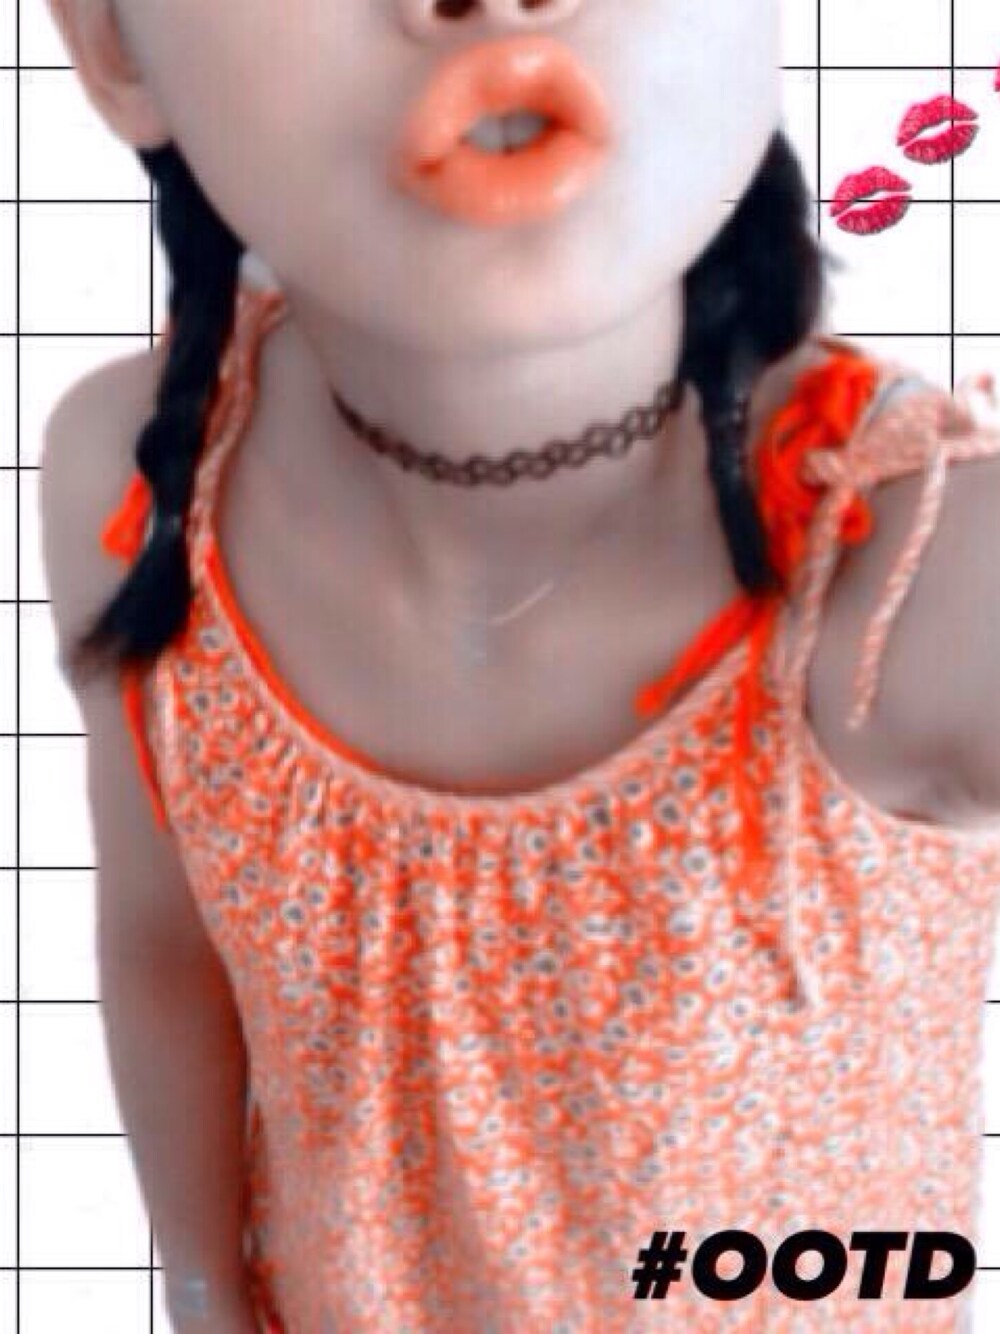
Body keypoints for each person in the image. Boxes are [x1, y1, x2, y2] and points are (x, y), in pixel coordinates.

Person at [39, 1, 1000, 1330]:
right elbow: (165, 943)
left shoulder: (916, 577)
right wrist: (203, 1289)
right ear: (113, 44)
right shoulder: (144, 489)